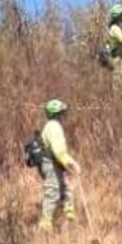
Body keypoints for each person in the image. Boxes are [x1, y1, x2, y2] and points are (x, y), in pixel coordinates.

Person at [36, 99, 82, 231]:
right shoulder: (54, 126)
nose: (64, 115)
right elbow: (59, 151)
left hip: (55, 164)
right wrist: (71, 163)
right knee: (52, 192)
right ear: (57, 114)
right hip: (50, 165)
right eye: (62, 112)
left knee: (66, 190)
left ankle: (69, 223)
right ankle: (45, 227)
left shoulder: (53, 126)